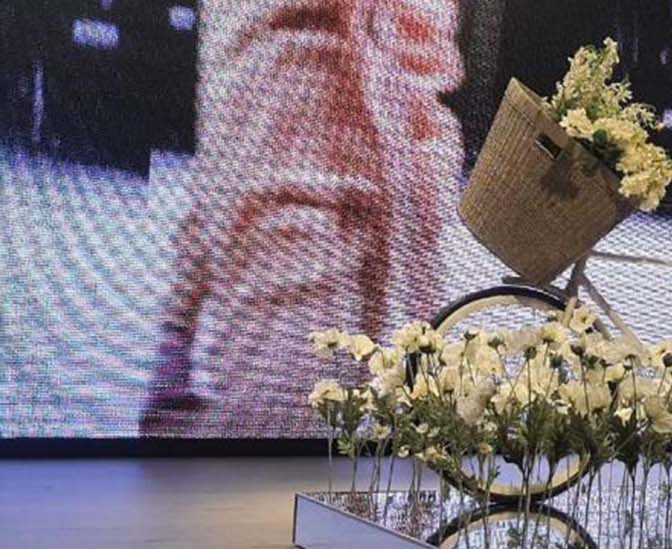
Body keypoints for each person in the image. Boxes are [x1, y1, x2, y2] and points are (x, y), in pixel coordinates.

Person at [139, 0, 464, 436]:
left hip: (368, 125)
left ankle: (182, 358)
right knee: (295, 403)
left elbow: (421, 54)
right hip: (298, 128)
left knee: (333, 406)